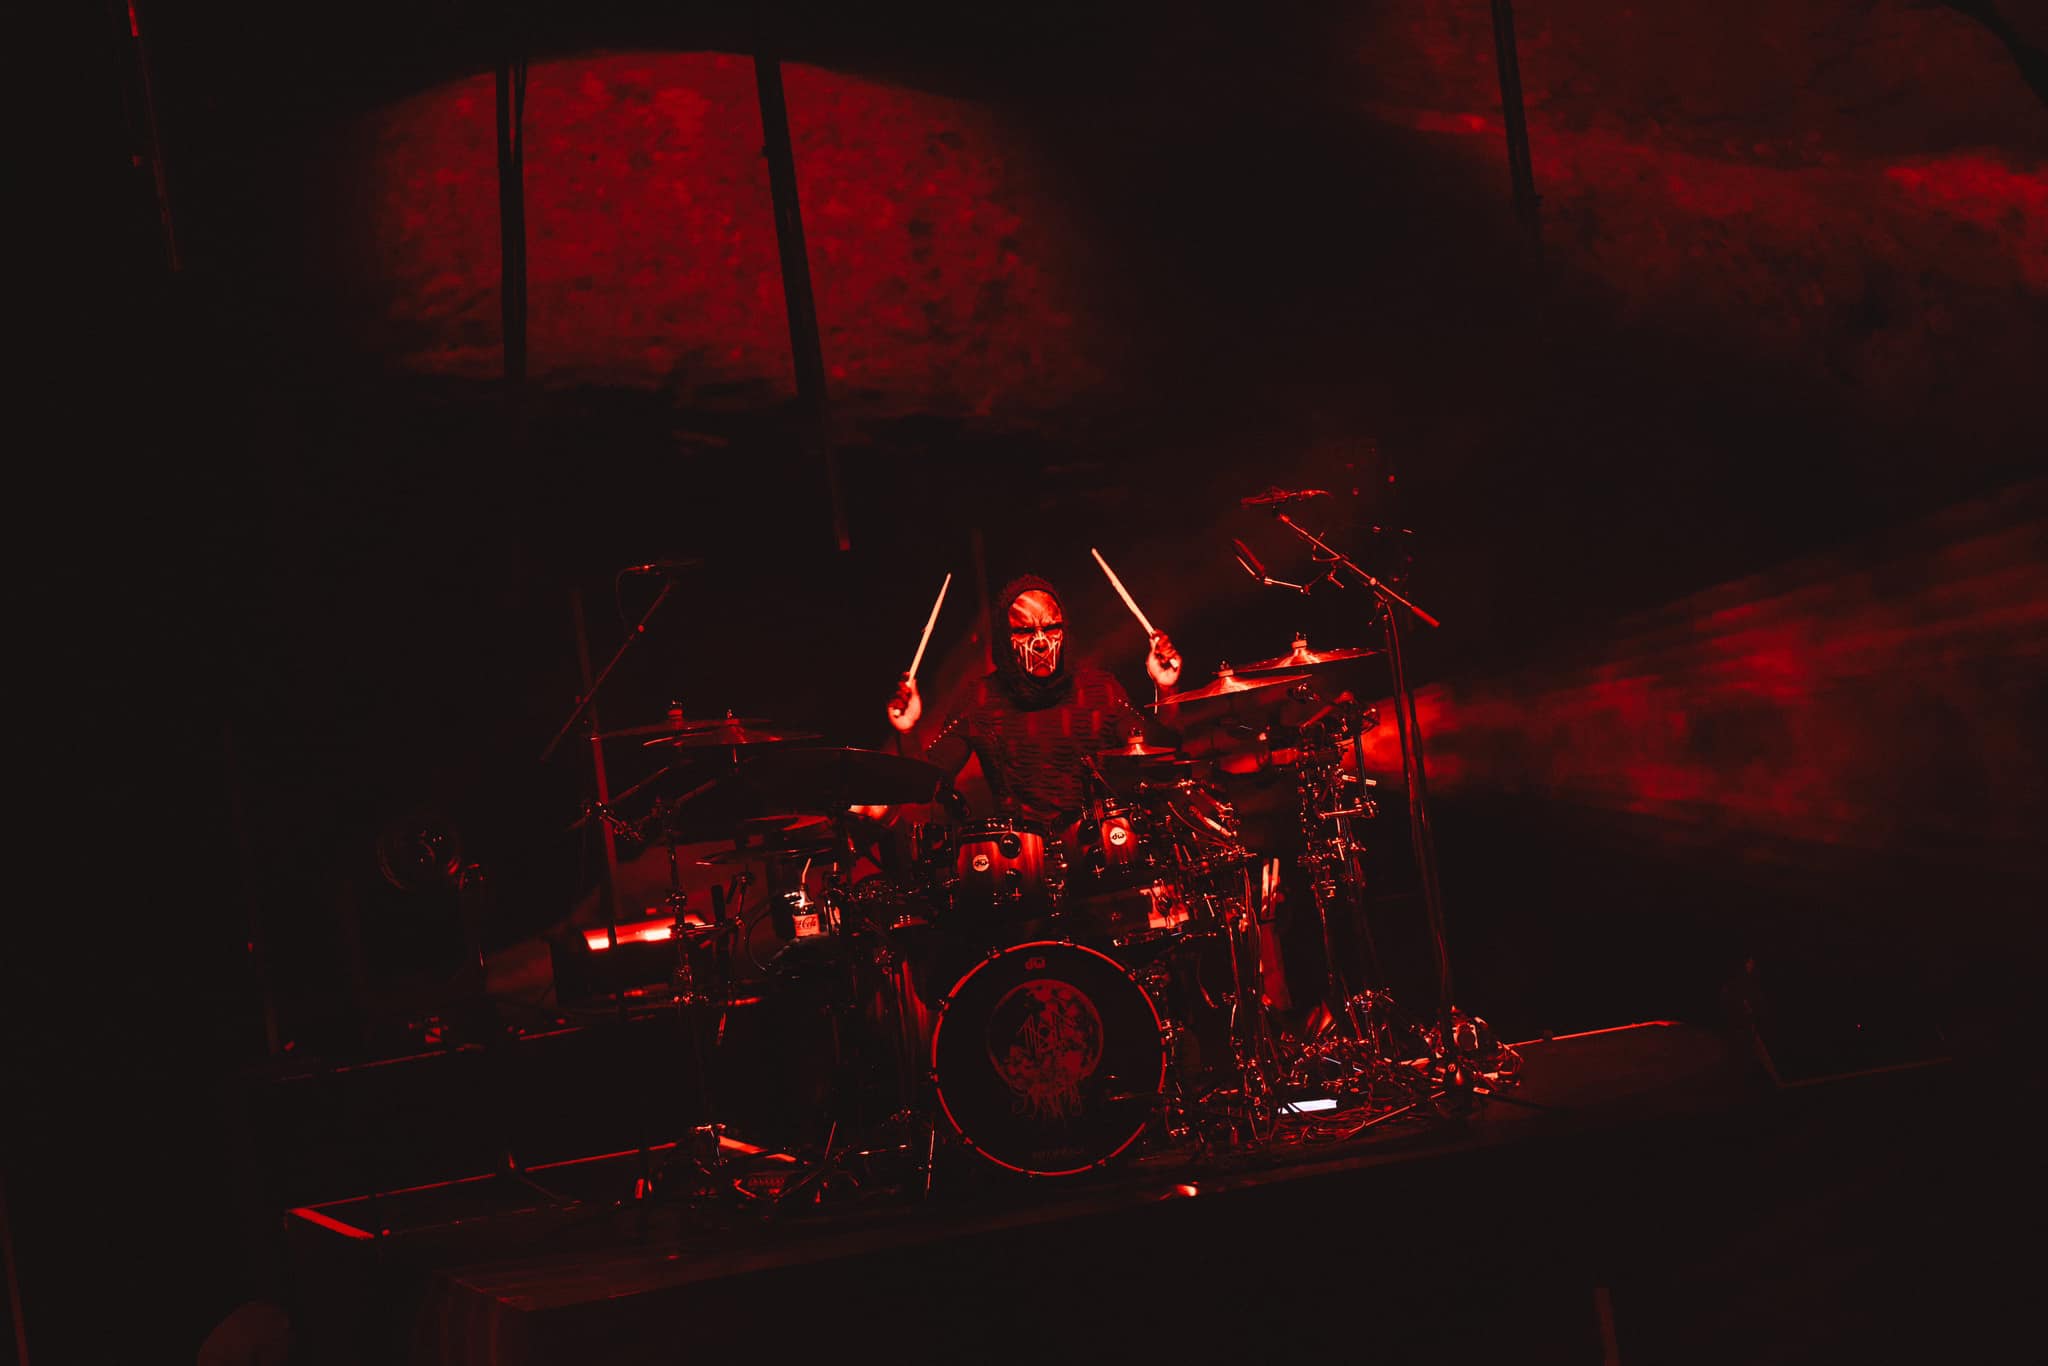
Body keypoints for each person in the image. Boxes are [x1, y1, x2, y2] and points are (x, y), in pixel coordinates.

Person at [884, 573, 1181, 829]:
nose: (1040, 642)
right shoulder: (979, 699)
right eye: (1025, 631)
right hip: (1022, 860)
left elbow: (1161, 760)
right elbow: (926, 785)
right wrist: (908, 731)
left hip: (1104, 849)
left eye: (1051, 627)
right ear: (1005, 638)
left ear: (1065, 630)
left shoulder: (1100, 689)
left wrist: (1166, 689)